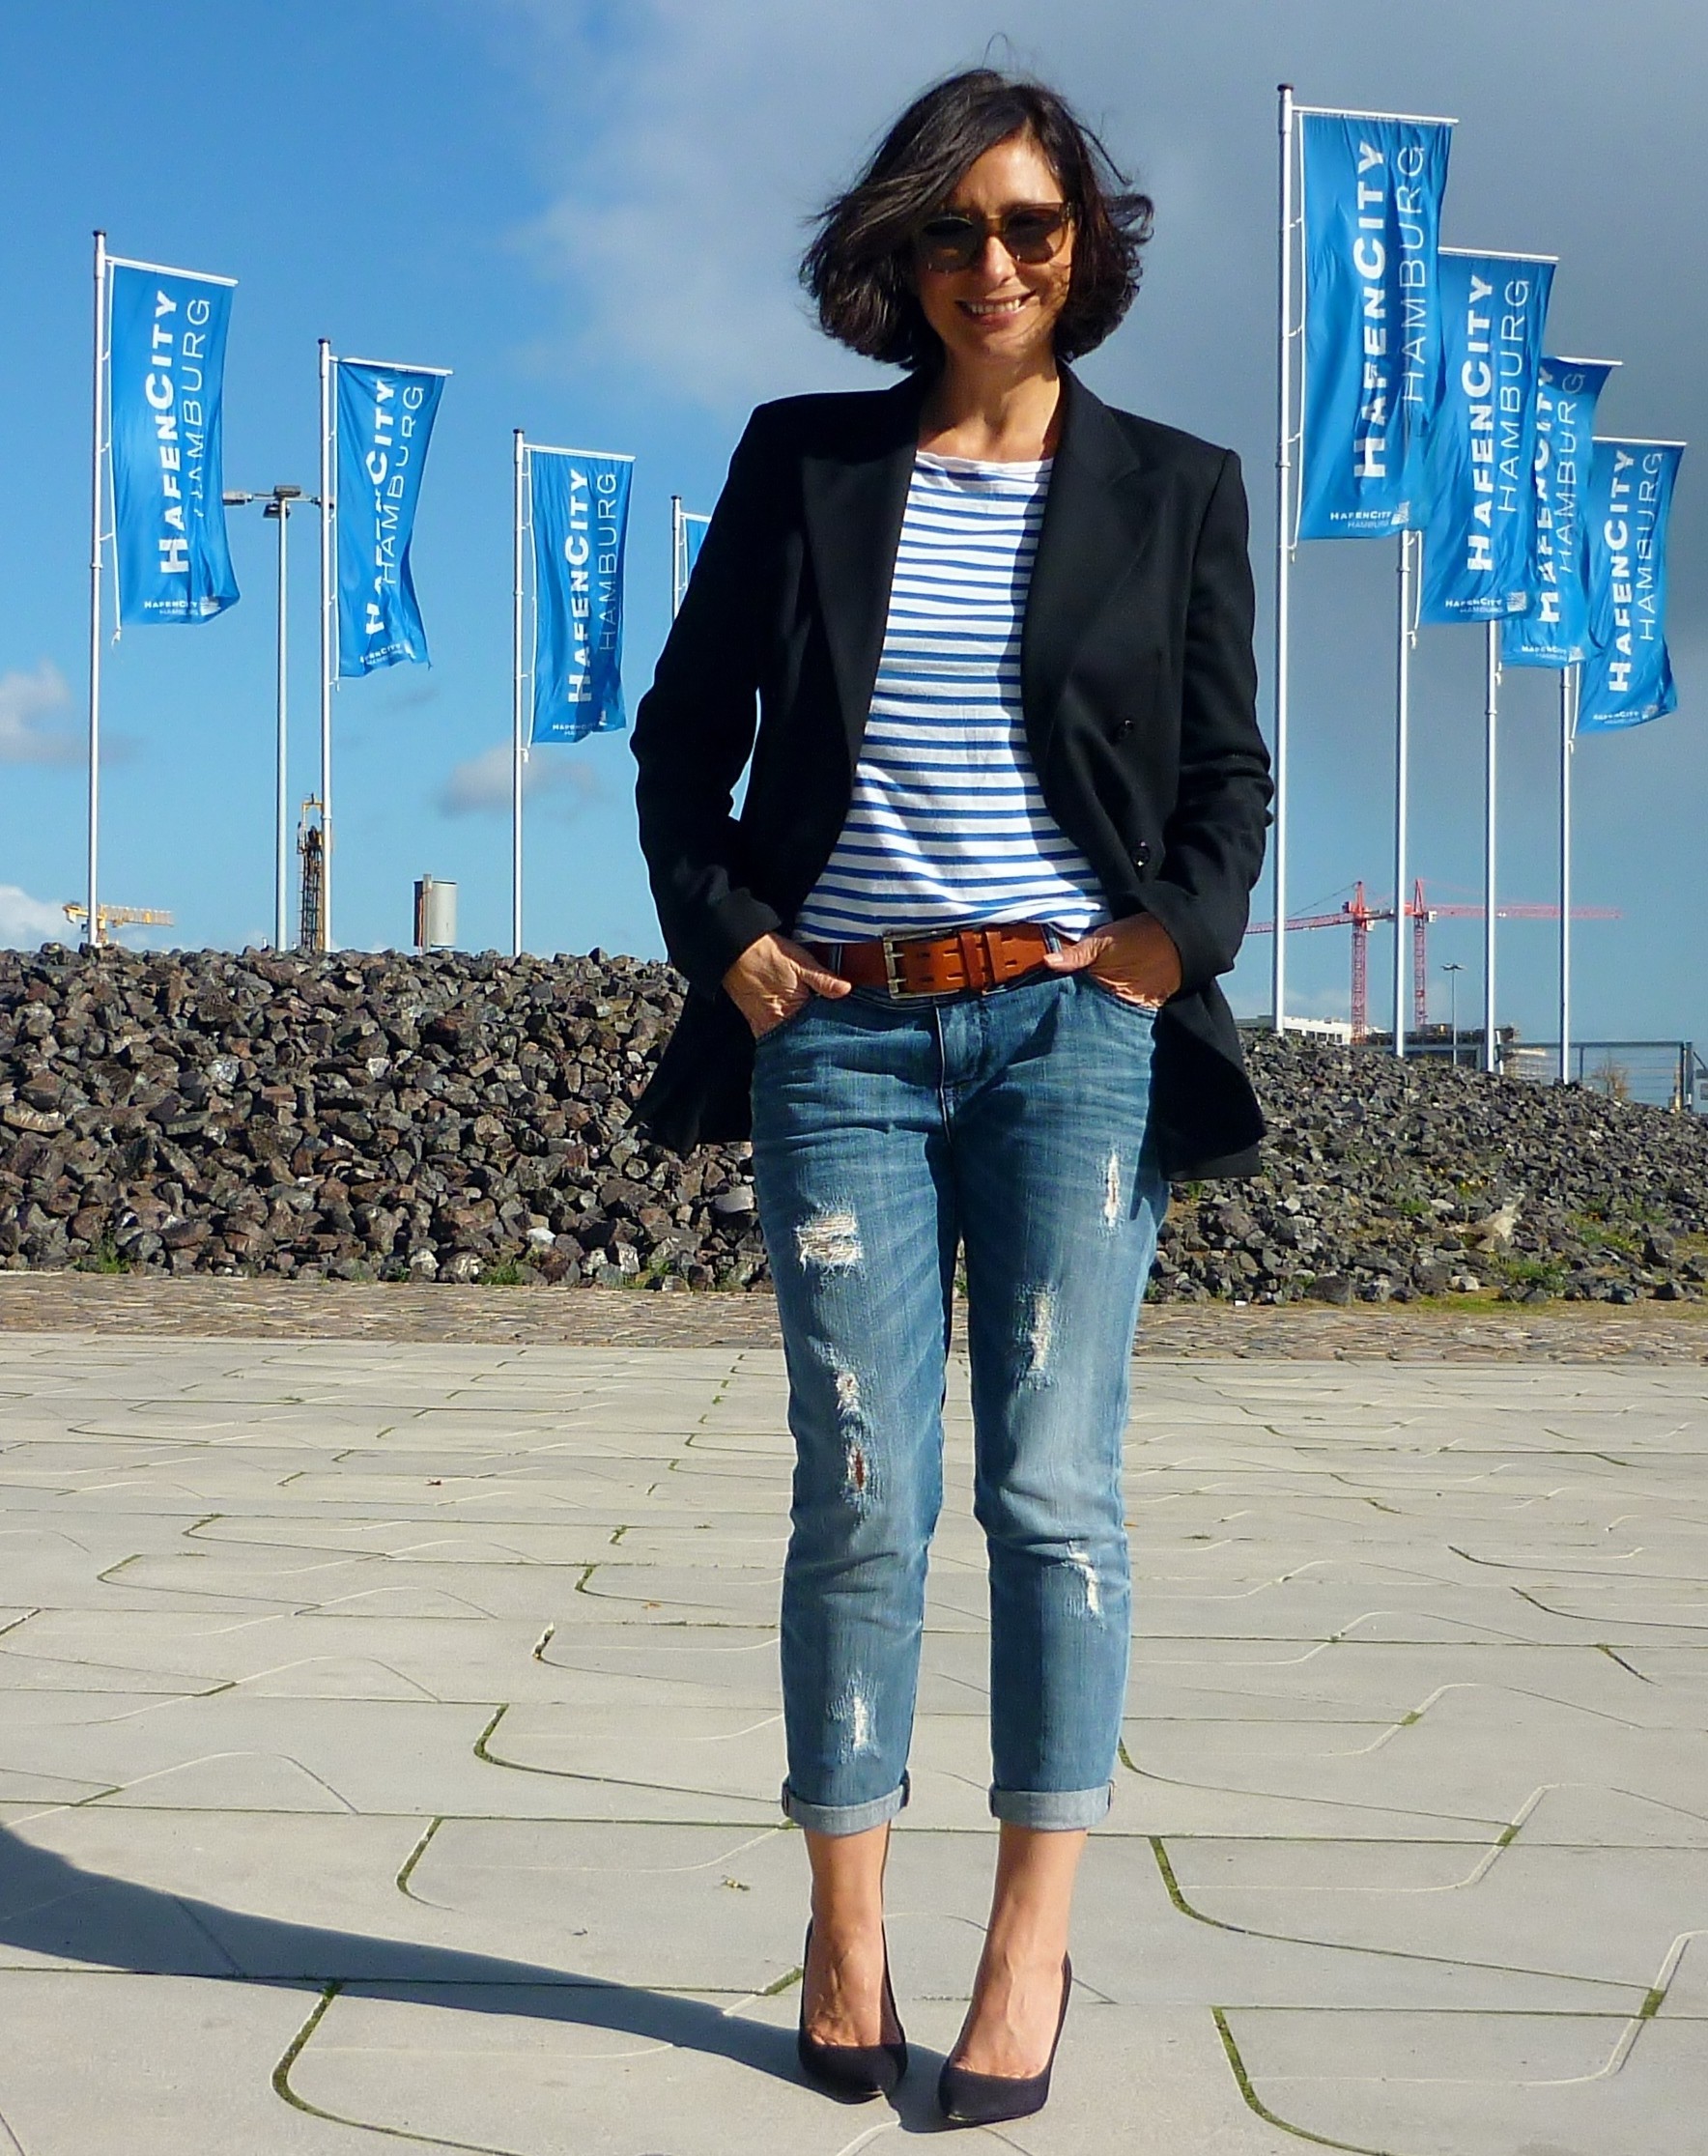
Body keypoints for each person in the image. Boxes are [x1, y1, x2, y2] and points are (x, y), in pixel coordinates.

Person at [631, 68, 1271, 2127]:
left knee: (1051, 1492)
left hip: (1070, 1037)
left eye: (1030, 225)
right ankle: (844, 1931)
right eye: (954, 229)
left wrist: (1167, 943)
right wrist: (729, 935)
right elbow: (682, 738)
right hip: (837, 1034)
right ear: (898, 255)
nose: (993, 262)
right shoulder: (802, 461)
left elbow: (1225, 777)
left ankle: (1023, 1947)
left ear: (1084, 247)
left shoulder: (1175, 486)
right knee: (861, 1486)